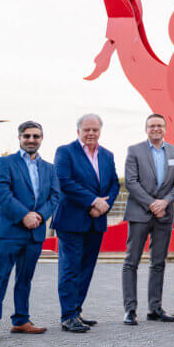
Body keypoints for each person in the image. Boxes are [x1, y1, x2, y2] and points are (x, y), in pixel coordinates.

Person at [0, 120, 60, 342]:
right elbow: (2, 192)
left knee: (25, 278)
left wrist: (40, 216)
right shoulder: (4, 163)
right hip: (9, 231)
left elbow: (55, 196)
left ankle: (21, 321)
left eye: (36, 136)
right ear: (20, 138)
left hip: (35, 232)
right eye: (27, 136)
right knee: (0, 277)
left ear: (41, 139)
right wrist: (24, 215)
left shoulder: (50, 168)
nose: (31, 140)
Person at [53, 114, 120, 333]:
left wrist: (104, 205)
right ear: (78, 130)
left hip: (96, 221)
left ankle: (77, 311)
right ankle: (68, 315)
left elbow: (113, 184)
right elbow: (64, 182)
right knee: (70, 268)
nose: (91, 133)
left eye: (95, 129)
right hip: (72, 220)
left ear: (100, 131)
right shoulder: (65, 152)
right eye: (87, 129)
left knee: (86, 269)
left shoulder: (107, 155)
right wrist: (92, 201)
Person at [121, 113, 174, 326]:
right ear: (146, 129)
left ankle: (155, 307)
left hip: (164, 215)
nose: (156, 129)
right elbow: (131, 182)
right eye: (152, 126)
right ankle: (130, 309)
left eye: (159, 126)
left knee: (158, 263)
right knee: (132, 262)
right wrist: (152, 203)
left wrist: (165, 202)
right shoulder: (134, 151)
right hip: (140, 213)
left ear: (165, 129)